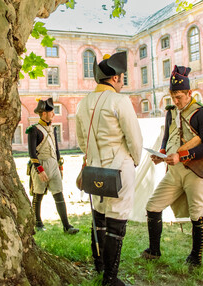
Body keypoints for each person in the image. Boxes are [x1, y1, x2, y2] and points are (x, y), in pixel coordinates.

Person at [76, 52, 143, 286]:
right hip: (119, 169)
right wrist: (135, 160)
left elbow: (80, 139)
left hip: (94, 170)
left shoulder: (83, 103)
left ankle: (99, 264)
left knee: (100, 218)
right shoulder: (120, 101)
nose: (122, 81)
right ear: (114, 78)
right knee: (116, 223)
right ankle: (110, 278)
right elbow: (135, 140)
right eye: (121, 77)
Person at [141, 65, 203, 268]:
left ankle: (195, 257)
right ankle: (154, 250)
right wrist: (162, 153)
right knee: (153, 206)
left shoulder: (202, 114)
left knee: (197, 213)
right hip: (174, 171)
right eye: (173, 96)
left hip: (195, 172)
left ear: (189, 93)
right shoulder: (170, 113)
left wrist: (182, 156)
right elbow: (166, 138)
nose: (175, 101)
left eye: (179, 97)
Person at [26, 98, 79, 235]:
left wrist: (60, 166)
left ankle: (67, 226)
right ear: (44, 113)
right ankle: (37, 223)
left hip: (53, 165)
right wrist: (39, 170)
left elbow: (56, 149)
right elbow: (32, 153)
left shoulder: (52, 129)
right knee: (38, 195)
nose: (53, 114)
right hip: (41, 165)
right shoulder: (34, 130)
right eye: (51, 112)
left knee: (59, 194)